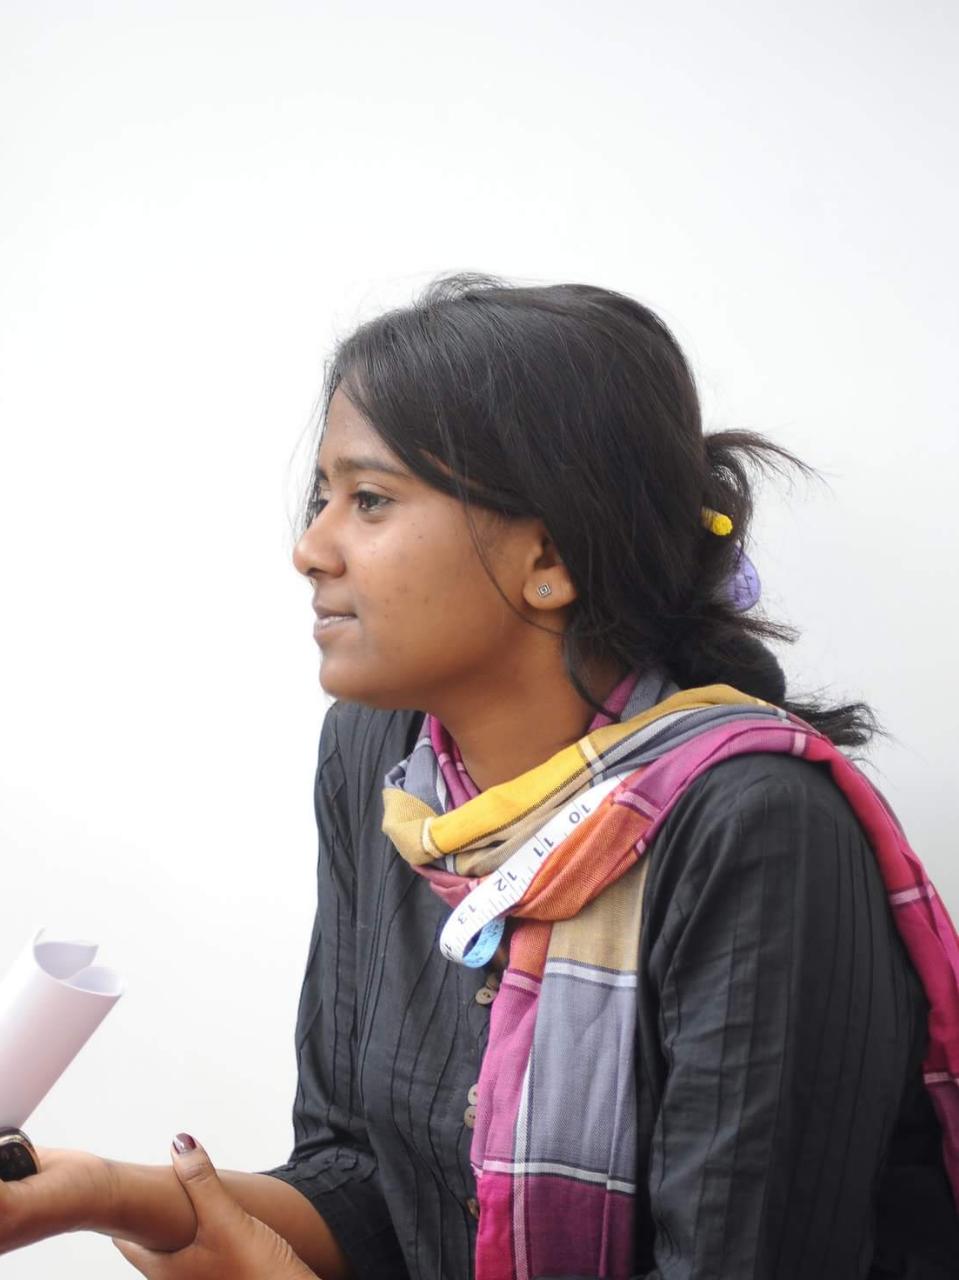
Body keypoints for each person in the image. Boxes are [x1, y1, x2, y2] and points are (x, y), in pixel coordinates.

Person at [2, 275, 958, 1279]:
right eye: (321, 497)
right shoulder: (381, 761)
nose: (309, 549)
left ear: (549, 556)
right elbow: (364, 1179)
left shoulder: (754, 829)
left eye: (369, 499)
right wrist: (110, 1194)